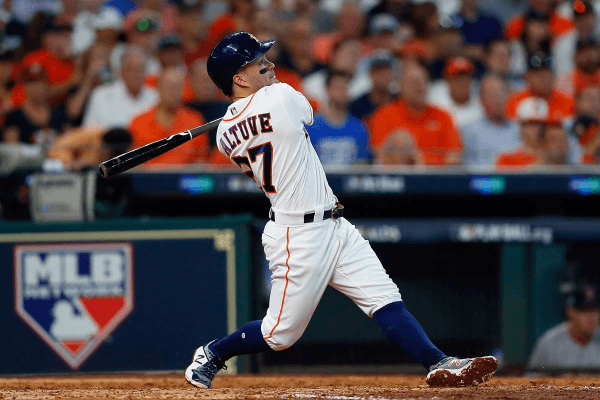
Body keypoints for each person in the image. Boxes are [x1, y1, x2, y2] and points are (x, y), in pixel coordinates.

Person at [184, 31, 498, 390]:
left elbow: (256, 121)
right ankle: (213, 352)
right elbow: (305, 114)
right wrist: (259, 101)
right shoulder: (281, 96)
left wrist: (243, 108)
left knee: (384, 297)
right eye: (259, 63)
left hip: (333, 223)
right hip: (298, 236)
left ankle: (438, 362)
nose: (270, 65)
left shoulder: (224, 134)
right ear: (239, 78)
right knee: (279, 334)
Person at [370, 60, 463, 166]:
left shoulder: (443, 116)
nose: (419, 86)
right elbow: (380, 156)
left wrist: (422, 165)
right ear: (401, 86)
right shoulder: (384, 115)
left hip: (437, 174)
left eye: (423, 81)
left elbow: (454, 156)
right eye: (413, 82)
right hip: (401, 173)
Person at [129, 67, 209, 166]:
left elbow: (201, 161)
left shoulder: (195, 121)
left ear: (183, 90)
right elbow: (133, 163)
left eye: (177, 87)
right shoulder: (139, 122)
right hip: (149, 175)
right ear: (158, 88)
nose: (173, 92)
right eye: (168, 87)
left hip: (184, 175)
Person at [306, 70, 371, 165]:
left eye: (345, 88)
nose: (342, 93)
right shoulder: (311, 126)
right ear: (327, 89)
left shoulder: (358, 127)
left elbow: (362, 164)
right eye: (338, 88)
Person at [528, 284, 600, 371]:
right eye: (584, 310)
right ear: (570, 312)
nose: (591, 317)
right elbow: (531, 377)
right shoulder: (550, 343)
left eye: (594, 310)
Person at [83, 47, 158, 129]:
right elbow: (89, 131)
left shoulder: (155, 98)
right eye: (131, 69)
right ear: (121, 71)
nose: (136, 74)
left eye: (141, 69)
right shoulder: (101, 95)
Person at [2, 63, 68, 146]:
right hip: (26, 154)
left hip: (57, 153)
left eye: (40, 82)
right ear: (24, 86)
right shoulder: (14, 115)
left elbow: (71, 141)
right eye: (31, 82)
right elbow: (11, 147)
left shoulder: (58, 113)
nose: (36, 87)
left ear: (47, 85)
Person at [462, 74, 520, 167]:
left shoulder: (520, 129)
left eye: (501, 93)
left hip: (514, 175)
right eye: (492, 94)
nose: (498, 99)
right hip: (481, 176)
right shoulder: (468, 131)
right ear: (481, 99)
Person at [428, 57, 484, 129]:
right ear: (448, 81)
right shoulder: (435, 100)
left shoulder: (481, 100)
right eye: (457, 79)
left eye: (466, 78)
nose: (462, 83)